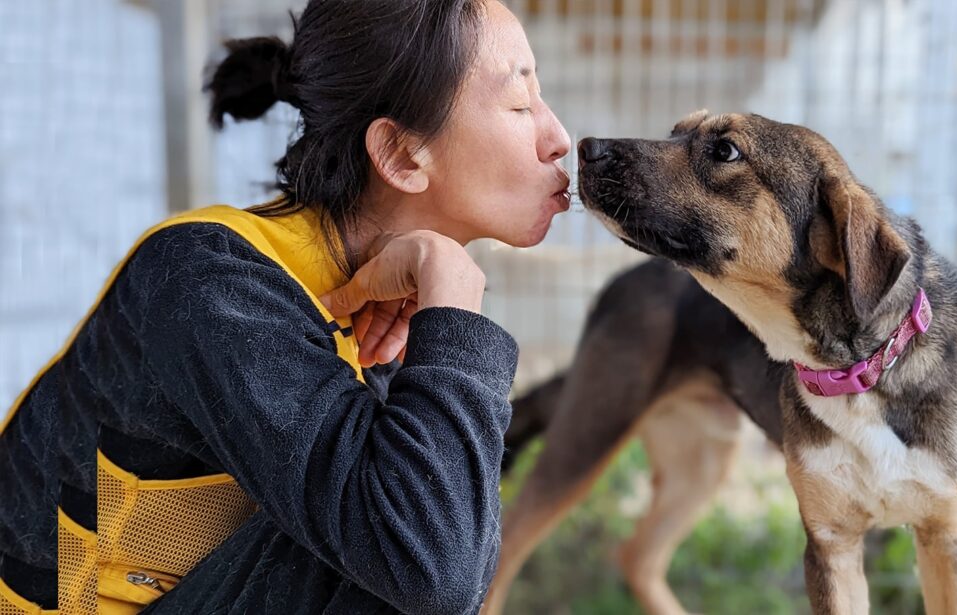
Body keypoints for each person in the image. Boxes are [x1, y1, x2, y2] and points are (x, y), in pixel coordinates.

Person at [0, 0, 571, 613]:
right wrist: (454, 307)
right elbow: (438, 570)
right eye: (520, 104)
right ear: (403, 156)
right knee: (403, 529)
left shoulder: (366, 302)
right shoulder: (214, 285)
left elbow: (457, 561)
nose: (558, 137)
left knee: (412, 501)